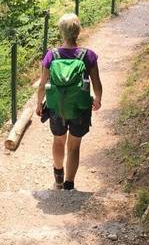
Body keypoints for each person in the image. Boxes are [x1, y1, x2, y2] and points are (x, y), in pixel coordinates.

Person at [35, 13, 102, 190]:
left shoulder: (52, 55)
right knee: (74, 146)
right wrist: (98, 99)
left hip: (57, 107)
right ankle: (69, 184)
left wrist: (38, 104)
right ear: (78, 31)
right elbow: (96, 82)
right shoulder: (88, 56)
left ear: (61, 32)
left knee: (58, 141)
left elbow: (42, 84)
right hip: (80, 108)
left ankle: (58, 177)